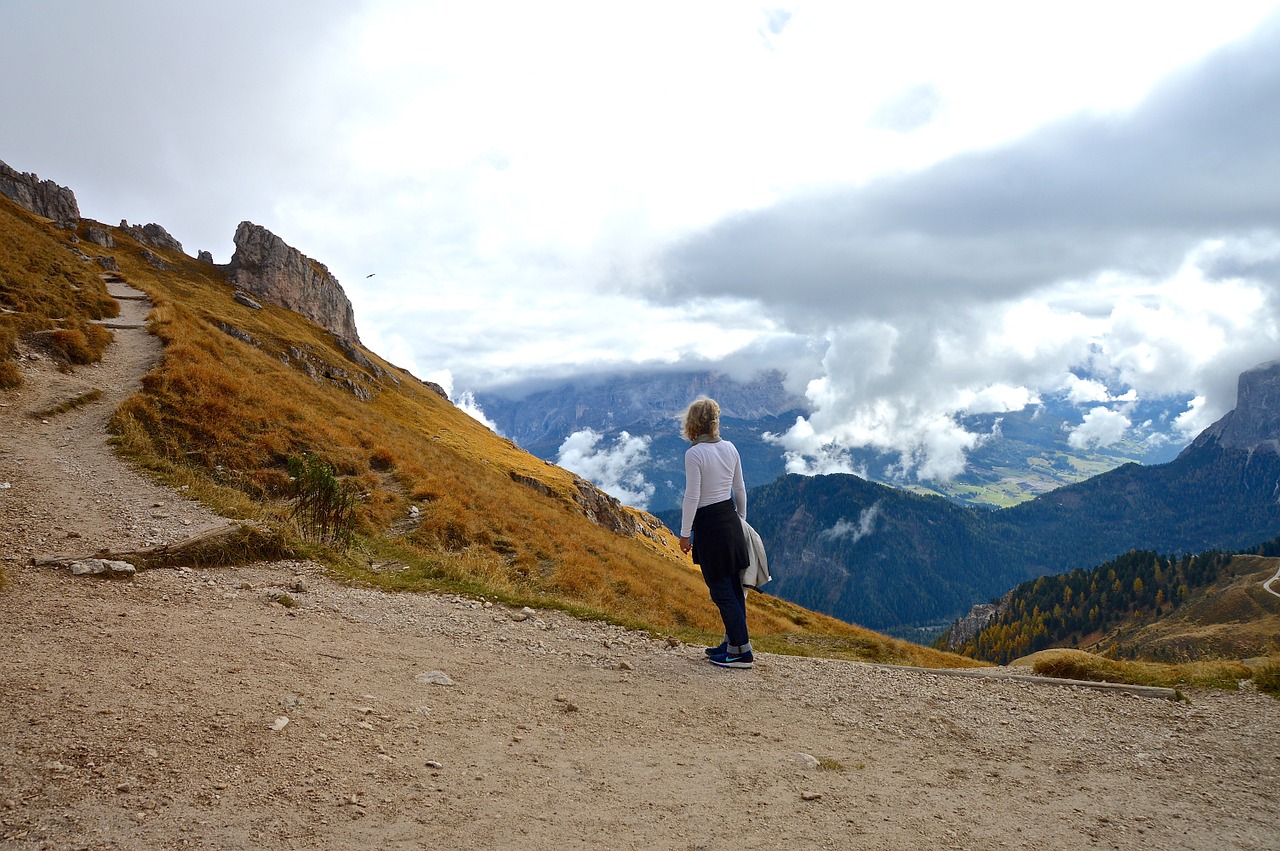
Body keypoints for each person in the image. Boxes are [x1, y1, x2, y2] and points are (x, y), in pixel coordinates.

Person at [678, 397, 753, 669]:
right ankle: (733, 643)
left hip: (709, 525)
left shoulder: (694, 454)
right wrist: (741, 521)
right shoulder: (730, 448)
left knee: (721, 591)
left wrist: (685, 533)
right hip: (730, 519)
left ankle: (741, 653)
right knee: (734, 588)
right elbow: (740, 489)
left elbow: (692, 496)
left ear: (692, 423)